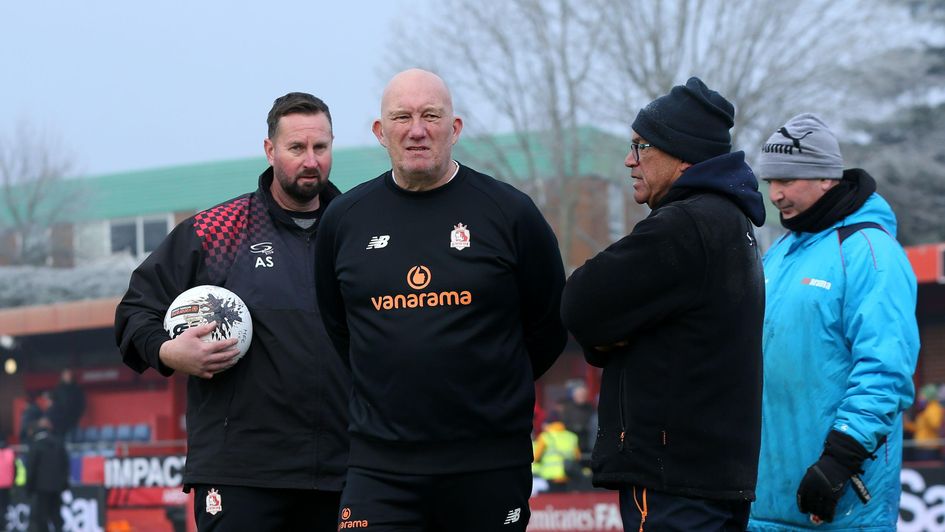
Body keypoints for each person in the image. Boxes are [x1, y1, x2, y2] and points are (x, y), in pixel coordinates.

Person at [314, 68, 567, 532]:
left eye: (431, 116)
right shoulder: (344, 219)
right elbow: (339, 327)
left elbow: (549, 323)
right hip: (380, 466)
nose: (417, 130)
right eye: (402, 117)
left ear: (455, 129)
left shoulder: (510, 213)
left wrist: (490, 384)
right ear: (380, 131)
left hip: (487, 462)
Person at [114, 92, 350, 531]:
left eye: (321, 147)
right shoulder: (216, 230)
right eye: (296, 148)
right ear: (270, 150)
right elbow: (134, 310)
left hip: (342, 469)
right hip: (240, 472)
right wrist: (169, 352)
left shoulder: (357, 231)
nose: (311, 161)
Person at [561, 77, 766, 531]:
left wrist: (610, 338)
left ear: (681, 155)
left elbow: (579, 302)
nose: (629, 161)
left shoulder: (683, 225)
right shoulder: (733, 222)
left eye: (641, 147)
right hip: (716, 476)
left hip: (671, 478)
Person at [748, 113, 920, 529]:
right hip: (763, 505)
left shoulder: (871, 252)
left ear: (826, 177)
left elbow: (885, 369)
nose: (775, 194)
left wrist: (840, 458)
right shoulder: (781, 253)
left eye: (787, 180)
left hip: (840, 503)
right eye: (770, 181)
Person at [26, 417, 69, 532]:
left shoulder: (36, 445)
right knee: (56, 517)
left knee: (41, 518)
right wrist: (64, 484)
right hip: (56, 487)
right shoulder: (59, 443)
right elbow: (65, 465)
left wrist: (29, 487)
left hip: (41, 488)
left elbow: (31, 468)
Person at [533, 415, 581, 493]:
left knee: (553, 502)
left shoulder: (545, 437)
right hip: (568, 475)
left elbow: (535, 457)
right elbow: (578, 457)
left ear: (548, 425)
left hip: (551, 476)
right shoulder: (572, 436)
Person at [905, 384, 944, 461]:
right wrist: (907, 424)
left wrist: (926, 413)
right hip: (922, 448)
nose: (919, 398)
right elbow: (919, 428)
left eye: (922, 396)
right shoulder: (925, 409)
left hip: (929, 448)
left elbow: (936, 425)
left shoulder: (934, 408)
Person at [48, 369, 86, 441]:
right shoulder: (58, 389)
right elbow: (53, 403)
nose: (68, 377)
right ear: (62, 377)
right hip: (60, 420)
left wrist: (77, 414)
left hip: (73, 419)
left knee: (74, 439)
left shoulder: (77, 389)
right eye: (66, 375)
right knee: (60, 439)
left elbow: (82, 404)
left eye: (69, 375)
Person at [559, 381, 595, 454]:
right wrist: (576, 427)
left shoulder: (590, 408)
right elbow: (564, 423)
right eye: (579, 395)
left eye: (583, 395)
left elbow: (593, 422)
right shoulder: (568, 408)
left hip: (587, 442)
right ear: (574, 396)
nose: (582, 397)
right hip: (571, 441)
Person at [0, 435, 14, 532]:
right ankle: (3, 526)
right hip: (7, 486)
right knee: (4, 507)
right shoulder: (10, 453)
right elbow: (15, 469)